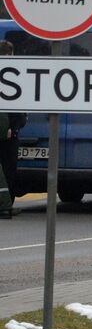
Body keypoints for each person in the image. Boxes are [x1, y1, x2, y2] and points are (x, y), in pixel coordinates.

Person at [0, 40, 18, 218]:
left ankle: (6, 204)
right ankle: (6, 204)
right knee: (7, 168)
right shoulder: (13, 72)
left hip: (9, 128)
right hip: (7, 131)